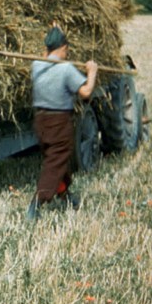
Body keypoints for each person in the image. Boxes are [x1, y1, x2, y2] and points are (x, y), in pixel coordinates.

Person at [27, 25, 98, 221]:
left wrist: (54, 33)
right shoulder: (66, 69)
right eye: (67, 49)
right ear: (64, 47)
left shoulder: (36, 65)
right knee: (56, 161)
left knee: (57, 159)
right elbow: (85, 92)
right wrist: (92, 72)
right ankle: (37, 202)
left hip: (40, 122)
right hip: (59, 122)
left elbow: (47, 53)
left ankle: (65, 195)